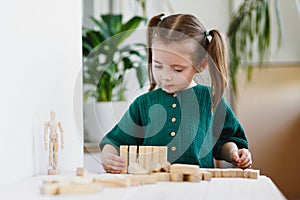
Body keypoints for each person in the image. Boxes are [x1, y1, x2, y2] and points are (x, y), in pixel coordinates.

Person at [100, 13, 252, 174]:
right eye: (158, 66)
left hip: (198, 189)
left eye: (177, 69)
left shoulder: (211, 101)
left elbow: (226, 140)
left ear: (201, 65)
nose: (165, 76)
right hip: (152, 188)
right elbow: (115, 141)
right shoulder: (143, 103)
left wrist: (234, 153)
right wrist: (108, 156)